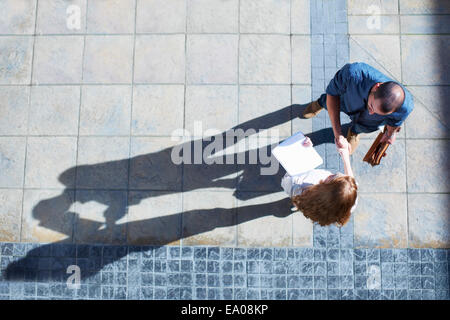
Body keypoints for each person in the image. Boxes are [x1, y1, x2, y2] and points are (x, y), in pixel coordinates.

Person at [302, 62, 414, 154]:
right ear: (376, 87)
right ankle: (319, 104)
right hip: (347, 99)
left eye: (378, 113)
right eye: (371, 106)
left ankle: (354, 132)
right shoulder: (352, 74)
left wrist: (390, 134)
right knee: (328, 102)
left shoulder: (405, 108)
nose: (371, 113)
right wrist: (338, 135)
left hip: (368, 122)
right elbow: (332, 94)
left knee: (364, 127)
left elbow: (395, 122)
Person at [281, 136, 358, 227]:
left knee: (298, 202)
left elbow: (291, 173)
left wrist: (304, 152)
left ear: (325, 189)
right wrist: (345, 155)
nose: (337, 172)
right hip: (311, 205)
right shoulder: (350, 201)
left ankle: (298, 206)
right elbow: (349, 180)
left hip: (297, 192)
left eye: (332, 176)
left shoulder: (299, 186)